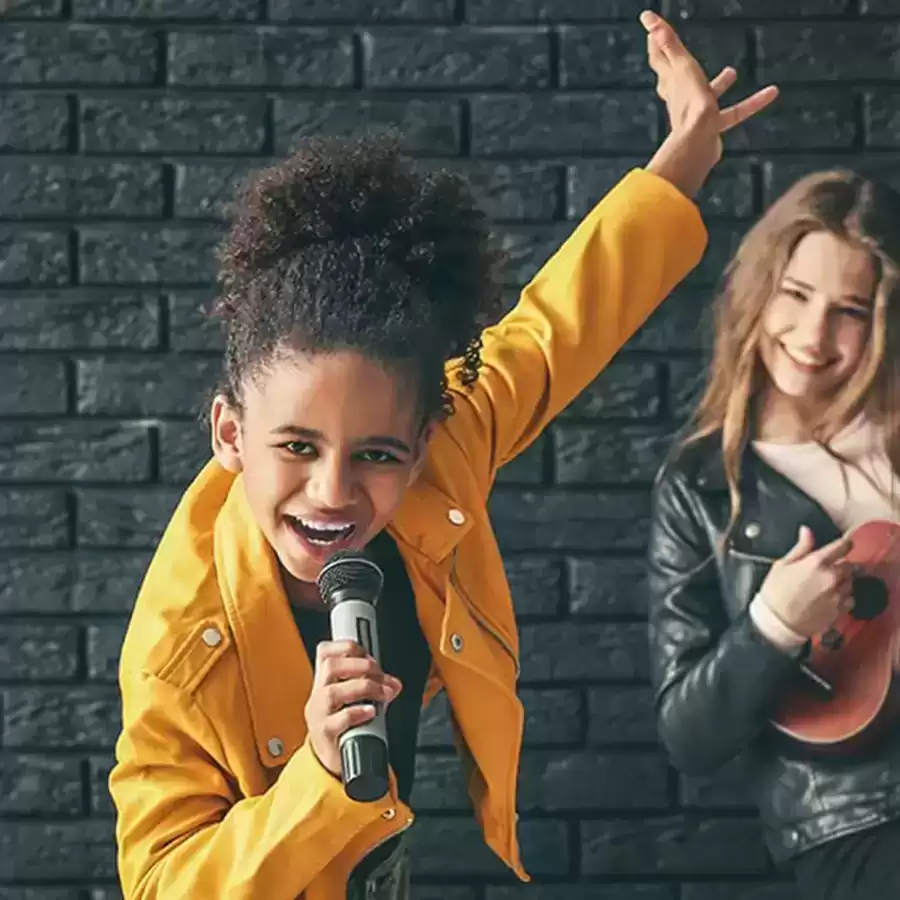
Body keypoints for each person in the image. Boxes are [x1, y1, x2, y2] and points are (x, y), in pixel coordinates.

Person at [108, 11, 777, 900]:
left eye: (377, 454)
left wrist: (687, 150)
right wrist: (315, 776)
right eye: (297, 446)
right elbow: (159, 882)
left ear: (425, 440)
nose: (333, 490)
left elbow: (562, 324)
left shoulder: (447, 447)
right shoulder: (182, 645)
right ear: (230, 433)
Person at [646, 164, 900, 899]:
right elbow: (689, 736)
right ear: (759, 291)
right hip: (859, 824)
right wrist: (774, 624)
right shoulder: (701, 487)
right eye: (795, 295)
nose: (814, 335)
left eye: (849, 310)